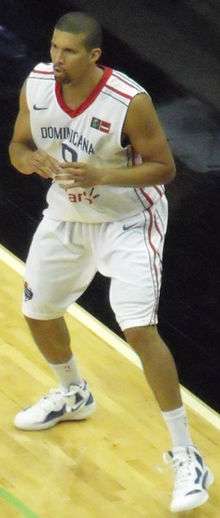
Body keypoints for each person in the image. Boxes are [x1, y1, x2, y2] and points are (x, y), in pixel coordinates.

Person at [9, 11, 213, 513]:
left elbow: (163, 168)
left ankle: (188, 455)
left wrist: (102, 171)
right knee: (38, 313)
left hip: (128, 223)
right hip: (67, 215)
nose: (57, 58)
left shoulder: (129, 100)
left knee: (139, 328)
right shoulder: (36, 84)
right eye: (55, 48)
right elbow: (17, 145)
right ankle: (74, 393)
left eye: (69, 52)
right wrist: (29, 160)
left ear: (94, 56)